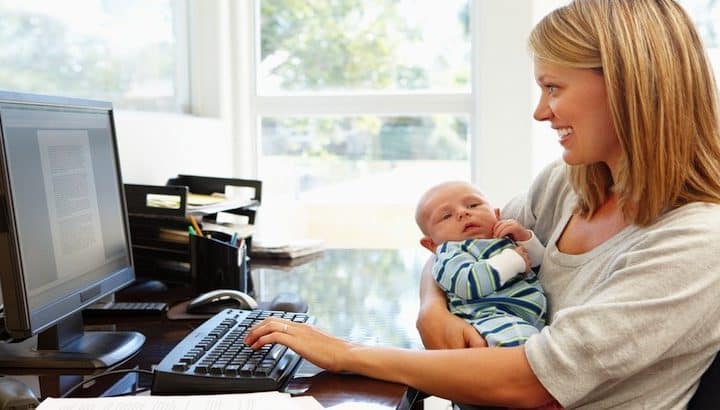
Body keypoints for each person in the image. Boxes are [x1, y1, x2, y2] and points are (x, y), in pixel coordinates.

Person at [245, 0, 720, 407]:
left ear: (626, 85)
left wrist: (347, 353)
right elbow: (455, 244)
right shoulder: (569, 185)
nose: (540, 111)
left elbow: (533, 380)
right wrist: (431, 307)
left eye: (553, 87)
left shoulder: (696, 240)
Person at [415, 180, 546, 347]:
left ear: (496, 214)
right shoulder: (450, 253)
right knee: (526, 349)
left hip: (524, 320)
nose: (462, 213)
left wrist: (525, 238)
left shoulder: (504, 238)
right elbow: (467, 283)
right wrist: (513, 260)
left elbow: (543, 267)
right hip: (489, 319)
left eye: (473, 205)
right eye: (446, 216)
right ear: (431, 244)